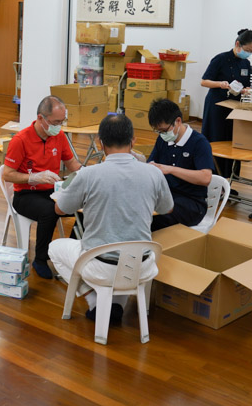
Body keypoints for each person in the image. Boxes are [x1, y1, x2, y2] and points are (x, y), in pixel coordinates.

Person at [49, 114, 173, 324]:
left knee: (55, 249)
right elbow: (167, 208)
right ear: (133, 140)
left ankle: (94, 301)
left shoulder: (88, 175)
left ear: (101, 143)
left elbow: (60, 209)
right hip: (140, 265)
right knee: (127, 255)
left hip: (100, 265)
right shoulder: (153, 173)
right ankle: (116, 305)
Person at [0, 95, 82, 279]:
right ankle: (40, 259)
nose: (59, 126)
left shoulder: (59, 136)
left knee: (83, 207)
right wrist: (33, 177)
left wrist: (86, 173)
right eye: (55, 122)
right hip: (25, 195)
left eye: (62, 121)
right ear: (40, 118)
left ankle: (75, 253)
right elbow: (7, 174)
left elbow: (71, 163)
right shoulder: (21, 140)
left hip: (52, 191)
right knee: (50, 211)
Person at [147, 98, 216, 231]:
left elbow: (205, 178)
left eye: (164, 130)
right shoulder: (163, 140)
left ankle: (150, 250)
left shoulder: (199, 143)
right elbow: (152, 165)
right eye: (158, 131)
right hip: (166, 196)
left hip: (192, 204)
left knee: (151, 221)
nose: (162, 135)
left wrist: (171, 169)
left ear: (178, 121)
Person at [200, 28, 252, 175]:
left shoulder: (246, 63)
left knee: (232, 142)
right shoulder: (220, 59)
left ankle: (229, 179)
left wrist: (245, 90)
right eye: (248, 49)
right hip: (217, 105)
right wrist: (220, 84)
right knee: (216, 140)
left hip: (235, 107)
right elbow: (204, 82)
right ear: (238, 44)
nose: (249, 53)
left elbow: (245, 85)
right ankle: (212, 177)